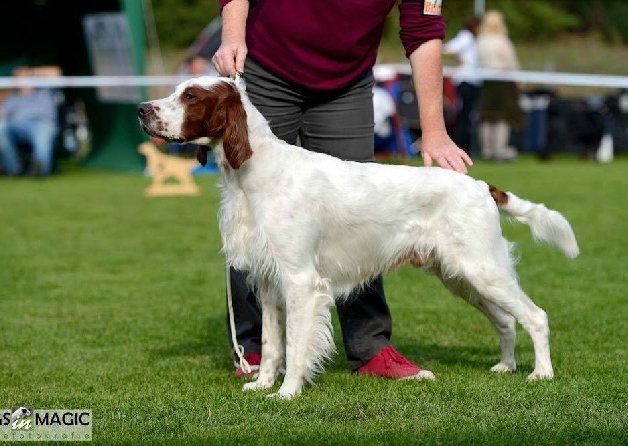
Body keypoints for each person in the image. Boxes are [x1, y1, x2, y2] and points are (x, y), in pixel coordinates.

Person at [213, 0, 473, 381]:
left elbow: (424, 30)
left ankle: (370, 349)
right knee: (252, 215)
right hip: (266, 67)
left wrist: (433, 130)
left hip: (346, 85)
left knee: (363, 211)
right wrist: (232, 36)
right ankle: (253, 351)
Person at [0, 65, 62, 177]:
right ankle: (13, 168)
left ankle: (39, 168)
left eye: (22, 77)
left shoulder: (45, 89)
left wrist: (30, 73)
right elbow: (1, 114)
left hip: (42, 123)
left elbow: (55, 72)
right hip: (17, 125)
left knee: (42, 135)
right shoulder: (13, 97)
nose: (19, 80)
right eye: (17, 77)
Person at [475, 10, 524, 161]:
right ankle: (499, 150)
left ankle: (487, 150)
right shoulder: (502, 40)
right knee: (502, 117)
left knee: (487, 117)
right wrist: (520, 80)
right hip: (503, 81)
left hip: (487, 81)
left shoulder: (480, 41)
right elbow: (511, 62)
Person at [444, 15, 482, 155]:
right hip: (466, 79)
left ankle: (464, 145)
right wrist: (459, 59)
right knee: (463, 116)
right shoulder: (466, 37)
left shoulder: (472, 38)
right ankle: (460, 145)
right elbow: (449, 49)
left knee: (467, 115)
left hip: (473, 79)